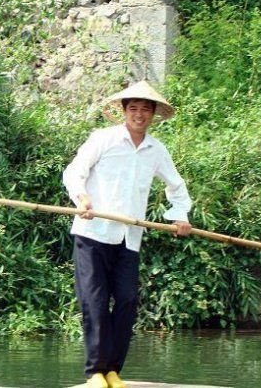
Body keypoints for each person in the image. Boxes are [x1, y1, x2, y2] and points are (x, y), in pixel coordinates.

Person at [62, 81, 193, 388]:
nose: (139, 114)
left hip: (128, 238)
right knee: (94, 301)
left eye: (145, 109)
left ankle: (113, 370)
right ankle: (95, 371)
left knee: (127, 300)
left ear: (153, 114)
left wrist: (180, 217)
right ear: (123, 112)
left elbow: (177, 187)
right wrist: (82, 199)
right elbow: (73, 172)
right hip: (93, 233)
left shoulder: (156, 150)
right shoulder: (103, 139)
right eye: (133, 108)